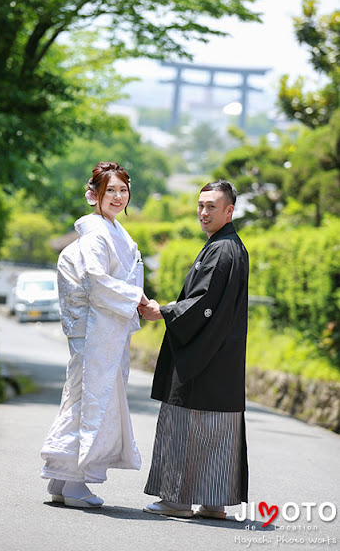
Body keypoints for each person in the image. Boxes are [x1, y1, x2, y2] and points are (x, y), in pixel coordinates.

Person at [40, 162, 148, 508]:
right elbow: (96, 282)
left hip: (104, 331)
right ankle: (75, 483)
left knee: (83, 400)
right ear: (93, 196)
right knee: (91, 403)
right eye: (110, 191)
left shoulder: (112, 232)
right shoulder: (98, 236)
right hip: (96, 332)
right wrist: (136, 298)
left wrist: (132, 299)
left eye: (123, 190)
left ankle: (61, 479)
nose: (118, 197)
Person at [139, 180, 249, 519]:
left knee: (186, 426)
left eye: (212, 206)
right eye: (201, 205)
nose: (203, 212)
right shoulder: (232, 247)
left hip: (201, 358)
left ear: (229, 210)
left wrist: (164, 312)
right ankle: (213, 503)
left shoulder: (221, 249)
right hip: (223, 358)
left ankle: (176, 499)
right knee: (218, 433)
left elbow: (202, 303)